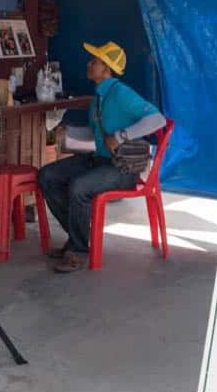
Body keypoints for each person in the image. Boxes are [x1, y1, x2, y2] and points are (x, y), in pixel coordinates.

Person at [39, 41, 166, 273]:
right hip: (98, 160)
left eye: (95, 61)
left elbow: (158, 120)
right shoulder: (99, 96)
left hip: (122, 169)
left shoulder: (121, 93)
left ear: (107, 69)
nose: (89, 64)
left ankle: (78, 251)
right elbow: (96, 134)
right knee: (47, 175)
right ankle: (77, 236)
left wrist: (121, 136)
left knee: (79, 187)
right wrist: (68, 132)